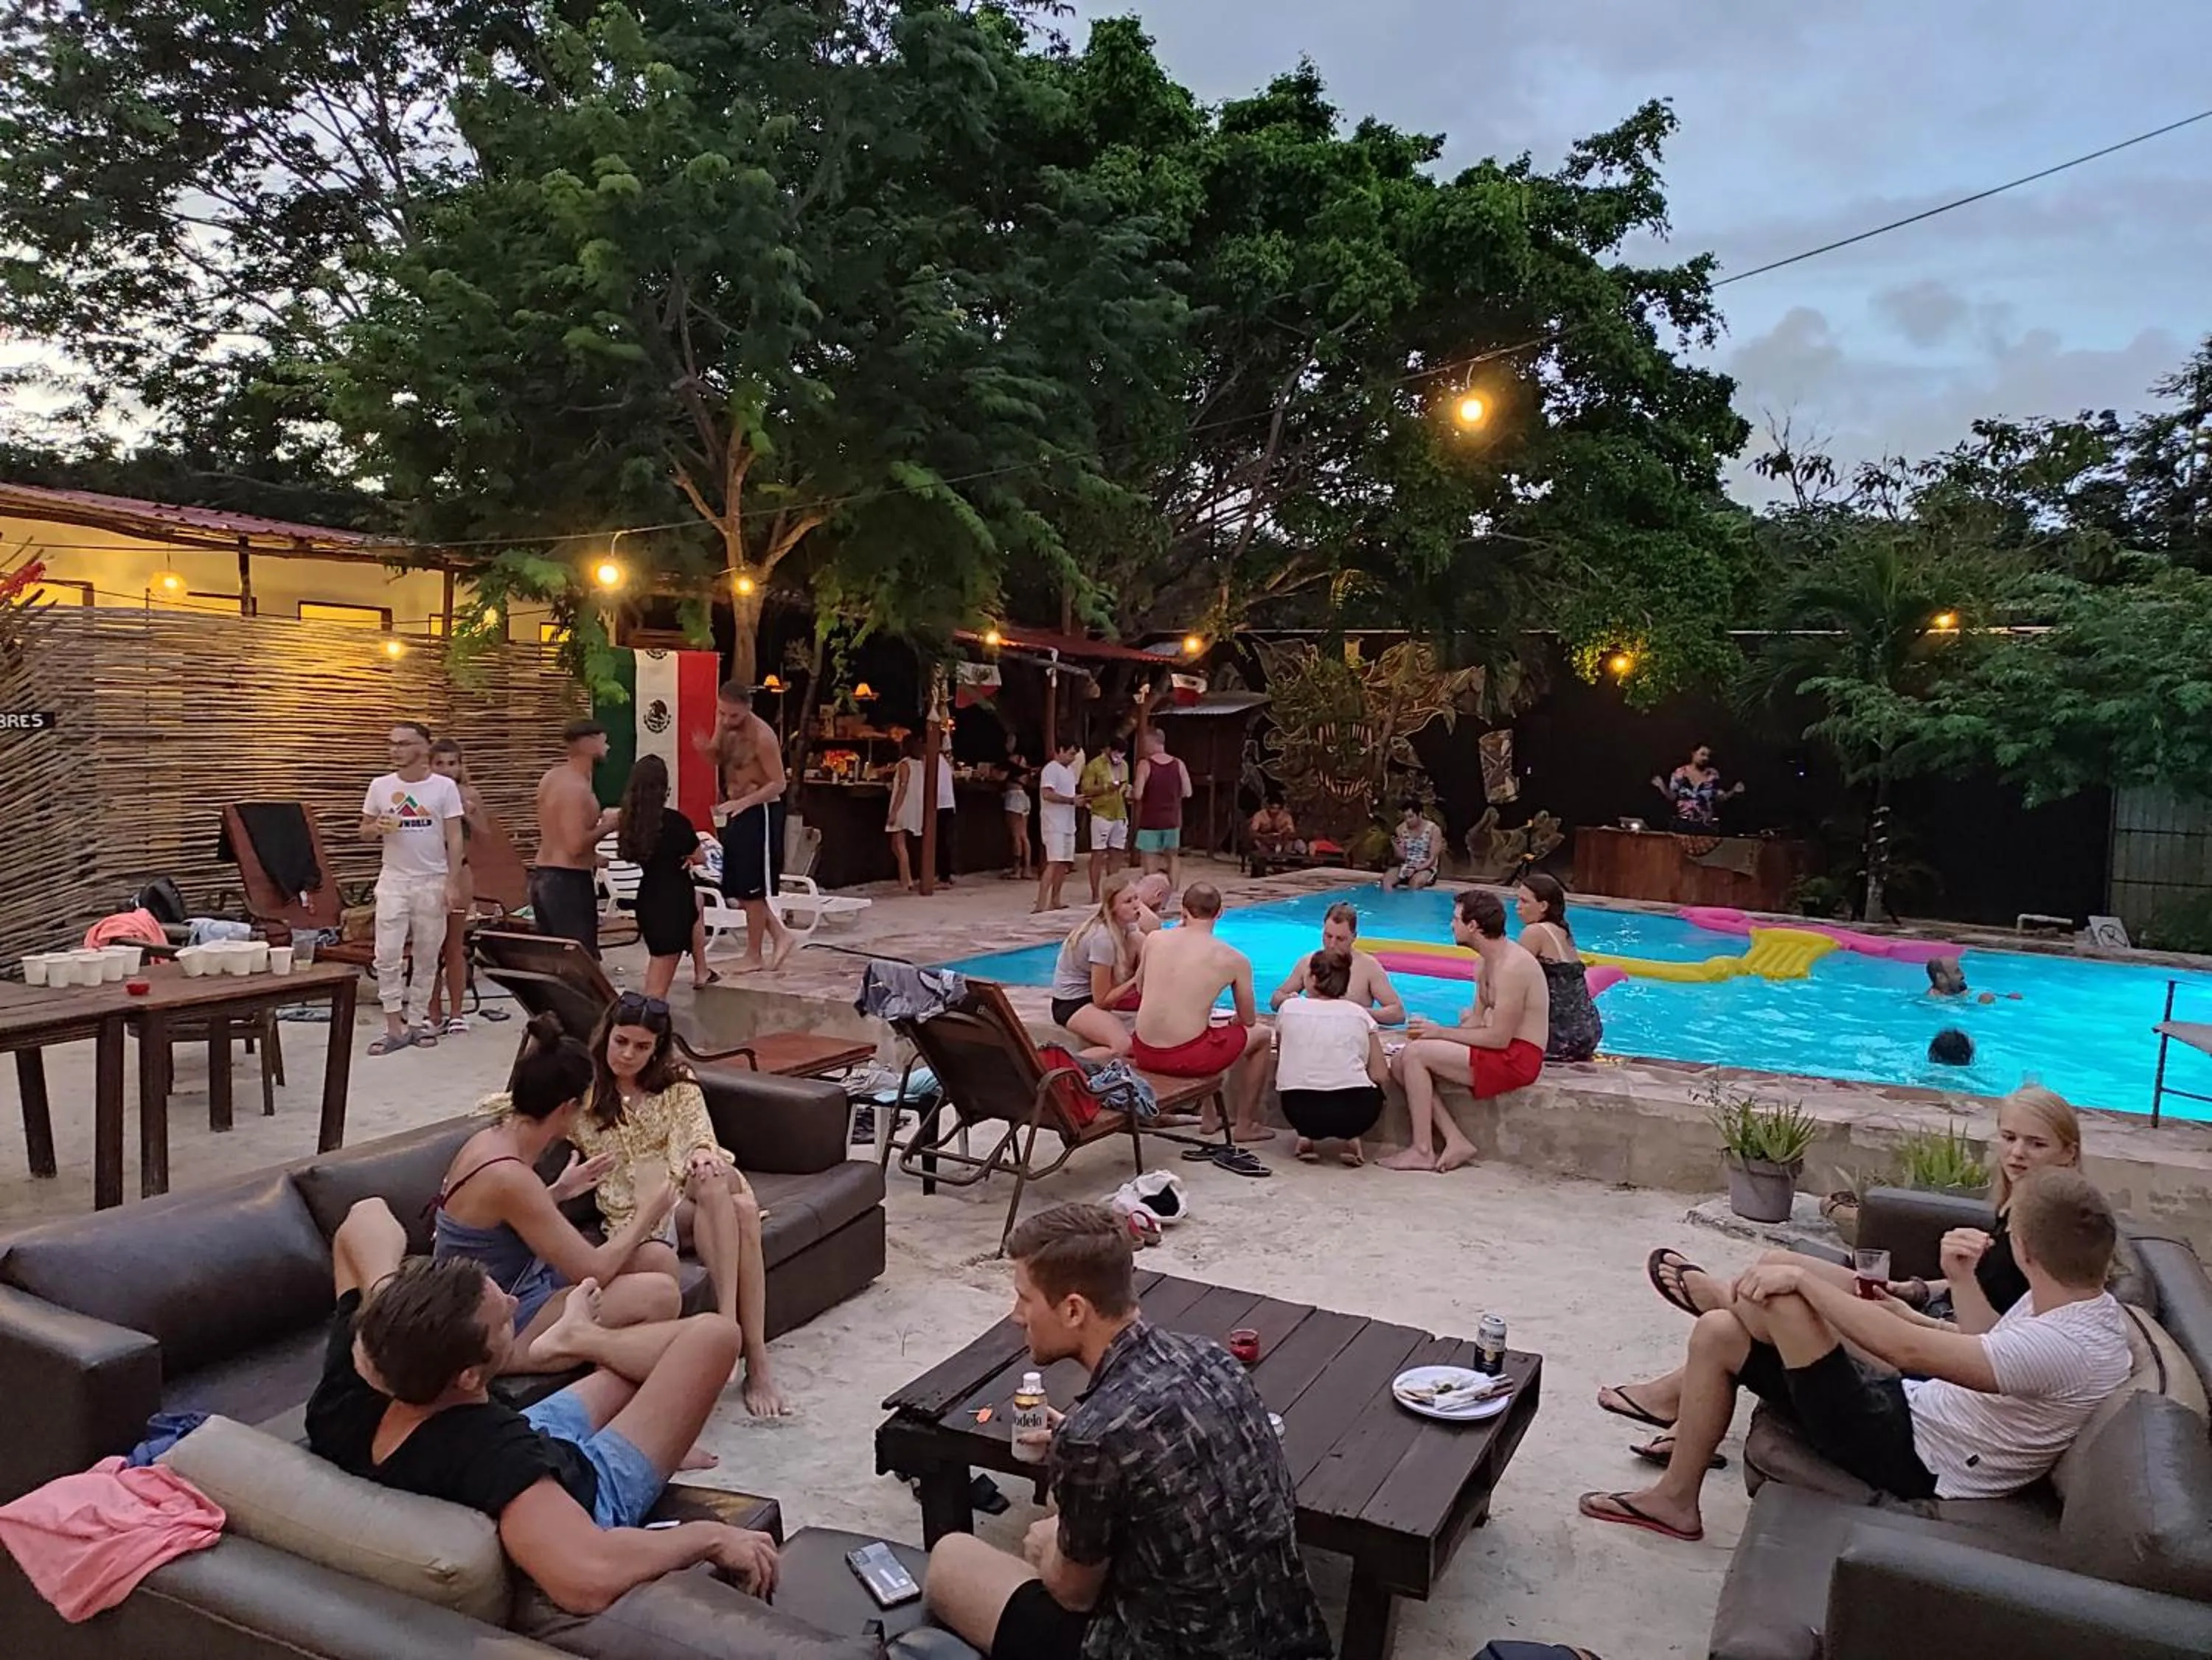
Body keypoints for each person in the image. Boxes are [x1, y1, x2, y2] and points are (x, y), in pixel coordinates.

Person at [1578, 1168, 2131, 1544]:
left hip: (1914, 1458)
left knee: (1786, 1299)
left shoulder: (2063, 1346)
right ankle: (1675, 1499)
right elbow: (1969, 1344)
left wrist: (1805, 1282)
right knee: (1719, 1334)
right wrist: (1929, 1293)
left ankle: (1721, 1296)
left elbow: (1907, 1350)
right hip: (1914, 1408)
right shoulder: (2073, 1302)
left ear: (2026, 1251)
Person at [307, 1200, 777, 1614]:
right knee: (715, 1336)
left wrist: (388, 1297)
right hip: (589, 1484)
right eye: (505, 1321)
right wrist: (709, 1536)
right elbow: (584, 1578)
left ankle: (584, 1340)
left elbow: (364, 1215)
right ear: (468, 1376)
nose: (514, 1302)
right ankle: (584, 1339)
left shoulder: (354, 1383)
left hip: (531, 1430)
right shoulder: (490, 1451)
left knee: (635, 1369)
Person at [923, 1204, 1331, 1660]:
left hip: (1164, 1647)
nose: (1017, 1316)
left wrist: (1050, 1546)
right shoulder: (1214, 1360)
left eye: (1025, 1298)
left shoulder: (1097, 1436)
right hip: (1286, 1637)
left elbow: (1072, 1594)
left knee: (951, 1560)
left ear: (1074, 1309)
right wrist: (1072, 1452)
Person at [1599, 1087, 2084, 1452]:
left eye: (2036, 1144)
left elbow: (1998, 1344)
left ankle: (1698, 1358)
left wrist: (1930, 1307)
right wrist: (1915, 1288)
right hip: (1934, 1313)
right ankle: (1685, 1401)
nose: (2018, 1153)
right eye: (2009, 1138)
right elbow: (1985, 1279)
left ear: (2069, 1151)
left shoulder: (2053, 1233)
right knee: (1776, 1261)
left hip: (1938, 1351)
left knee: (1760, 1303)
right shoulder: (2021, 1204)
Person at [568, 991, 785, 1416]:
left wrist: (703, 1153)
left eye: (642, 1046)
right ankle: (735, 1342)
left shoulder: (677, 1084)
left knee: (717, 1180)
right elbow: (522, 1106)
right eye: (621, 1041)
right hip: (635, 1219)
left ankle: (741, 1343)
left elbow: (699, 1133)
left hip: (684, 1198)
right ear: (606, 1036)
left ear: (657, 1049)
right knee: (739, 1211)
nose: (628, 1054)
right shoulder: (583, 1093)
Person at [431, 1011, 684, 1365]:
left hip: (524, 1284)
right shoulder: (510, 1176)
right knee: (659, 1295)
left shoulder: (492, 1139)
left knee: (657, 1256)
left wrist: (560, 1191)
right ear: (567, 1108)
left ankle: (617, 1363)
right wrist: (648, 1213)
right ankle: (610, 1385)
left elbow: (493, 1226)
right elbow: (592, 1270)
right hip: (494, 1323)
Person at [1382, 889, 1548, 1173]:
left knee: (1416, 1055)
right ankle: (1455, 1139)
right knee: (1401, 1062)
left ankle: (1422, 1150)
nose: (1451, 925)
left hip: (1519, 1057)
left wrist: (1440, 1034)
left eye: (1456, 919)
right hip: (1499, 1049)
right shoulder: (1484, 963)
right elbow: (1475, 1022)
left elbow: (1499, 1038)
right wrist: (1435, 1033)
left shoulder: (1513, 967)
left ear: (1473, 926)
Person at [1130, 884, 1273, 1144]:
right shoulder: (1234, 959)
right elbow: (1249, 1020)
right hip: (1185, 1058)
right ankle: (1245, 1124)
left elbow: (1140, 988)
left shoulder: (1155, 939)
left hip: (1143, 1050)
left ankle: (1210, 1119)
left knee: (1205, 1027)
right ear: (1220, 913)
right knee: (1262, 1036)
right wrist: (1232, 1021)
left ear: (1183, 911)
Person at [361, 721, 466, 1056]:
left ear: (424, 747)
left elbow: (454, 836)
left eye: (404, 743)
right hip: (394, 879)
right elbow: (363, 829)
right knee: (387, 953)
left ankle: (419, 1021)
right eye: (392, 743)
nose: (396, 750)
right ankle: (393, 1025)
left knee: (426, 954)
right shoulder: (380, 786)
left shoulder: (443, 788)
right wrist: (375, 827)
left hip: (431, 879)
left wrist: (452, 882)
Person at [706, 683, 795, 972]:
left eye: (734, 716)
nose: (727, 720)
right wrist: (710, 740)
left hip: (761, 811)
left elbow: (779, 784)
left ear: (748, 709)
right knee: (738, 888)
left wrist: (746, 803)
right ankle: (781, 936)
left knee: (752, 888)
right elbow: (717, 758)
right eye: (722, 713)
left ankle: (754, 954)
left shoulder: (762, 736)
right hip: (737, 809)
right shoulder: (724, 726)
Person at [1275, 948, 1389, 1167]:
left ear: (1313, 978)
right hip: (1356, 1116)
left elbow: (1284, 1058)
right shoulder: (1360, 1014)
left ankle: (1306, 1137)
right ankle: (1352, 1138)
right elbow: (1381, 1074)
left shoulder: (1288, 1009)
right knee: (1369, 1084)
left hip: (1299, 1111)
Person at [616, 755, 717, 998]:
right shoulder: (674, 822)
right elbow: (701, 857)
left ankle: (701, 970)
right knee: (657, 989)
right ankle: (650, 1030)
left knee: (659, 960)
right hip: (673, 900)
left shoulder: (631, 823)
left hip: (648, 896)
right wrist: (687, 858)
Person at [532, 719, 616, 959]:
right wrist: (609, 825)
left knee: (555, 959)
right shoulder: (575, 788)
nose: (608, 747)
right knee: (581, 961)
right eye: (604, 741)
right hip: (566, 882)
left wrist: (594, 856)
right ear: (589, 744)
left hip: (544, 876)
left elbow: (557, 832)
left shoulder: (552, 778)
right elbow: (575, 845)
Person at [425, 737, 487, 1036]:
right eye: (440, 763)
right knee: (428, 946)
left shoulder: (468, 794)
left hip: (459, 873)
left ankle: (457, 1012)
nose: (447, 769)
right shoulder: (422, 794)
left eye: (452, 763)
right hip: (426, 875)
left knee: (454, 945)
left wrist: (470, 813)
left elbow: (486, 835)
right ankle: (432, 1013)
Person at [1049, 870, 1144, 1058]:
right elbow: (1101, 1000)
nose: (1136, 906)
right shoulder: (1103, 938)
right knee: (1123, 1046)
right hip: (1072, 1004)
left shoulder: (1125, 925)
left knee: (1140, 939)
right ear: (1112, 908)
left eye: (1136, 898)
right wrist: (1136, 979)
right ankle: (1065, 1066)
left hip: (1093, 997)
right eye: (1128, 901)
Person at [1268, 901, 1405, 1025]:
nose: (1332, 944)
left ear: (1354, 937)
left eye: (1340, 939)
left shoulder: (1368, 967)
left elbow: (1397, 1013)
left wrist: (1356, 1012)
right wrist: (1288, 1000)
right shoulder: (1308, 962)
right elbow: (1275, 999)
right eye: (1328, 936)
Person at [1516, 875, 1603, 1062]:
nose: (1517, 906)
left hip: (1560, 1039)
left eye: (1524, 901)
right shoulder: (1562, 932)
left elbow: (1511, 980)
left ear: (1543, 906)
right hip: (1588, 1032)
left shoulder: (1534, 932)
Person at [1132, 730, 1190, 888]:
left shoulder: (1145, 765)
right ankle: (1175, 890)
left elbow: (1138, 794)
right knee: (1173, 857)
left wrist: (1129, 792)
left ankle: (1154, 891)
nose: (1143, 747)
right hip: (1172, 819)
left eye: (1144, 743)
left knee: (1150, 858)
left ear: (1152, 742)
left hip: (1150, 820)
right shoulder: (1179, 764)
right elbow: (1188, 792)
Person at [1079, 737, 1131, 902]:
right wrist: (1106, 787)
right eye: (1116, 753)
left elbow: (1124, 787)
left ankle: (1112, 891)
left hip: (1120, 813)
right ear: (1109, 750)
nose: (1118, 757)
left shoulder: (1124, 766)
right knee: (1098, 854)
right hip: (1101, 813)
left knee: (1117, 853)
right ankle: (1095, 894)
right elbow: (1086, 789)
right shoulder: (1094, 765)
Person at [1034, 739, 1082, 913]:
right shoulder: (1051, 769)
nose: (1072, 758)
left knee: (1063, 863)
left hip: (1068, 822)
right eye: (1070, 753)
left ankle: (1056, 899)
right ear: (1060, 750)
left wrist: (1077, 800)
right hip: (1054, 822)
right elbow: (1047, 794)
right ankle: (1041, 903)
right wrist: (1070, 800)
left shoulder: (1069, 771)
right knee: (1053, 862)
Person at [1651, 744, 1743, 830]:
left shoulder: (1713, 775)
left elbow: (1718, 798)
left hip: (1706, 824)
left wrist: (1733, 791)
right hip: (1683, 823)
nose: (1705, 758)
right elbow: (1673, 797)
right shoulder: (1680, 773)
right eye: (1702, 754)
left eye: (1708, 756)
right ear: (1694, 754)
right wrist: (1662, 786)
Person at [886, 733, 926, 892]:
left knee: (899, 844)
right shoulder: (920, 764)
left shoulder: (904, 764)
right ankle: (907, 877)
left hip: (903, 805)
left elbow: (903, 787)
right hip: (914, 805)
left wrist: (894, 811)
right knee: (896, 844)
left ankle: (906, 880)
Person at [1380, 799, 1441, 891]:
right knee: (1386, 881)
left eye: (1411, 817)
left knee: (1414, 883)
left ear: (1420, 815)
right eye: (1405, 817)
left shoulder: (1434, 830)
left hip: (1425, 868)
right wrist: (1396, 845)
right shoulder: (1400, 829)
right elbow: (1402, 857)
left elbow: (1432, 859)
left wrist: (1416, 869)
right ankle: (1389, 903)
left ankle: (1411, 904)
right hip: (1406, 866)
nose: (1408, 820)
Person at [1001, 736, 1035, 883]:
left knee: (1016, 835)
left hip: (1014, 796)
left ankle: (1016, 868)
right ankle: (1026, 868)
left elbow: (1001, 776)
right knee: (1024, 835)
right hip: (1024, 797)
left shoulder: (1012, 760)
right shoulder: (1024, 760)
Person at [1248, 793, 1304, 858]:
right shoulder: (1260, 815)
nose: (1274, 812)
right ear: (1268, 806)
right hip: (1263, 841)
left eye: (1278, 809)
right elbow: (1252, 833)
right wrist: (1264, 837)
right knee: (1260, 849)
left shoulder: (1286, 817)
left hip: (1281, 841)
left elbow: (1292, 833)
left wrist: (1286, 833)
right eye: (1272, 808)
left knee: (1292, 845)